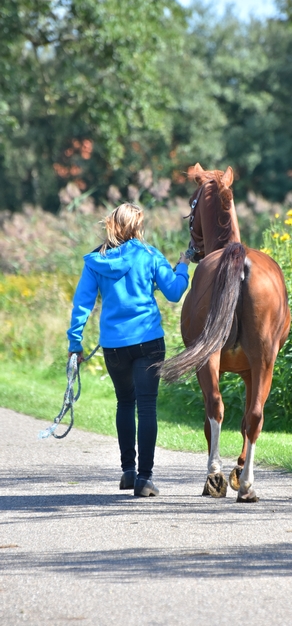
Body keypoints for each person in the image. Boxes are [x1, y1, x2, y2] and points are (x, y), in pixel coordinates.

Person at [67, 202, 190, 497]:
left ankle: (128, 471)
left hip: (114, 347)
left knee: (125, 402)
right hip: (148, 342)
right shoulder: (149, 255)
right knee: (146, 406)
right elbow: (173, 292)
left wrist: (75, 343)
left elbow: (82, 304)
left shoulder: (96, 261)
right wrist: (183, 265)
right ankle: (144, 479)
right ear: (137, 226)